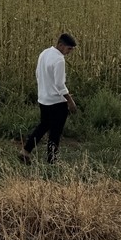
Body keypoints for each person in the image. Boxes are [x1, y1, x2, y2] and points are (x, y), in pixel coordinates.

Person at [21, 33, 78, 164]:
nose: (69, 52)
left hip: (43, 99)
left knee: (43, 126)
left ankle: (26, 151)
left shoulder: (44, 53)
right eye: (69, 49)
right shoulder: (59, 59)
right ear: (61, 45)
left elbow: (37, 73)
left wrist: (44, 89)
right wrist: (70, 100)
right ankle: (52, 160)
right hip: (56, 102)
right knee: (55, 132)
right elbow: (59, 84)